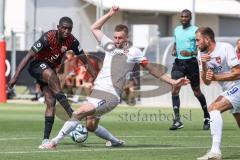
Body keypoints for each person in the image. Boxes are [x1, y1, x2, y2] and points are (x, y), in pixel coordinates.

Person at [40, 6, 189, 149]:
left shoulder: (134, 52)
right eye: (115, 37)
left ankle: (54, 141)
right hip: (97, 92)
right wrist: (110, 13)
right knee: (91, 126)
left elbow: (152, 69)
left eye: (120, 38)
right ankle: (115, 141)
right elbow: (94, 28)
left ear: (126, 38)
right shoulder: (109, 45)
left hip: (110, 95)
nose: (117, 40)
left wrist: (172, 81)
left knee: (78, 113)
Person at [8, 16, 95, 148]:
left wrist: (96, 77)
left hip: (49, 70)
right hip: (36, 65)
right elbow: (28, 56)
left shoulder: (72, 41)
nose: (66, 31)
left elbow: (85, 60)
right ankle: (73, 115)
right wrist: (15, 77)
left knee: (50, 102)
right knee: (53, 77)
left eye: (69, 29)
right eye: (64, 28)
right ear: (58, 28)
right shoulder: (48, 37)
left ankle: (45, 139)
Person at [196, 27, 240, 160]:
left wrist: (216, 77)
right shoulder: (201, 55)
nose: (196, 43)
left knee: (213, 108)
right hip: (229, 90)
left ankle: (215, 151)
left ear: (207, 39)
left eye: (198, 40)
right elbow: (207, 81)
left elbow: (238, 73)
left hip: (238, 85)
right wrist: (204, 65)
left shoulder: (225, 48)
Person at [170, 9, 210, 130]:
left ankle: (207, 116)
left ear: (190, 18)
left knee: (197, 92)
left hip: (191, 63)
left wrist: (190, 53)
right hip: (179, 63)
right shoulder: (177, 29)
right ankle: (177, 120)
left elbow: (202, 48)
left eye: (186, 17)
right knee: (175, 89)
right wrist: (174, 49)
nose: (183, 18)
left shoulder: (196, 31)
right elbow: (176, 42)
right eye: (182, 16)